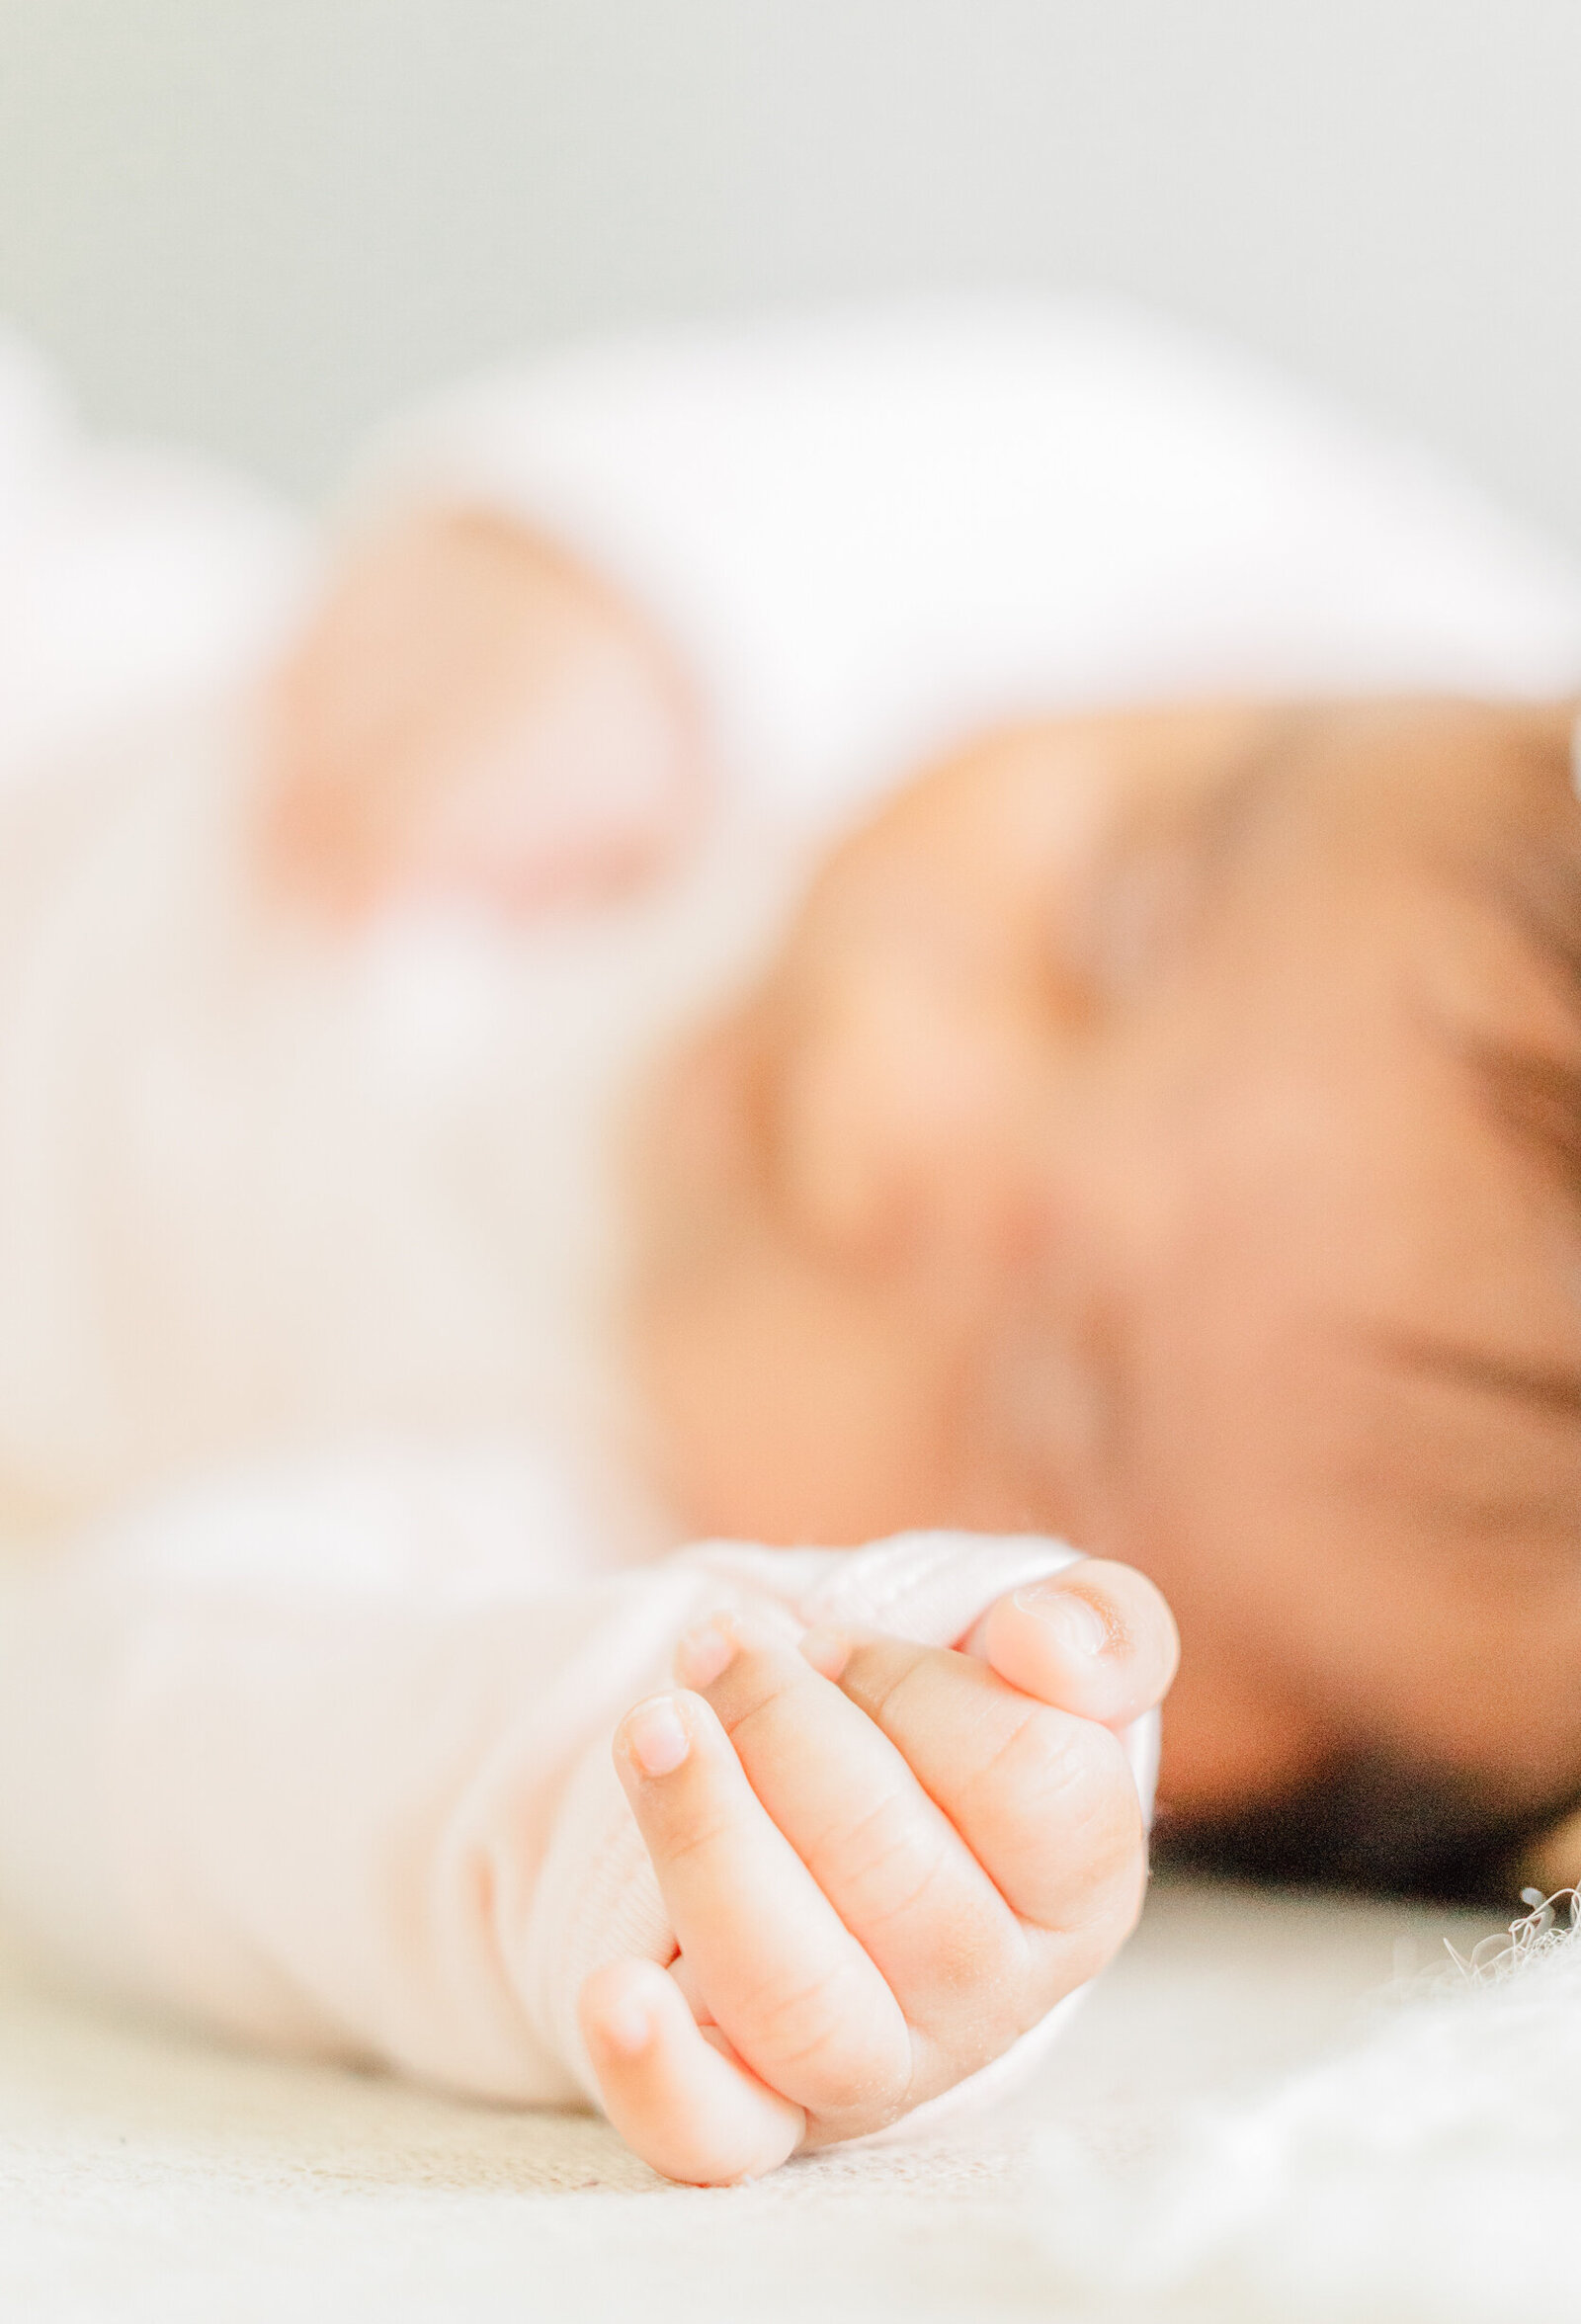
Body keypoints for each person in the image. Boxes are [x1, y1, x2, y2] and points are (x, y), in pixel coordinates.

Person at [0, 298, 1577, 2184]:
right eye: (1114, 929)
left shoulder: (586, 1532)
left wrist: (634, 1813)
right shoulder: (893, 722)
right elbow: (1141, 467)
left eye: (1047, 1395)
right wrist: (639, 585)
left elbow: (125, 1731)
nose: (874, 1111)